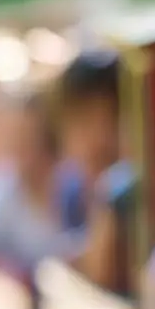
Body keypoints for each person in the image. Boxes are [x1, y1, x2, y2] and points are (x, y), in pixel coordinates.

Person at [0, 84, 74, 275]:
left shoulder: (69, 181)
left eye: (29, 136)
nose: (22, 146)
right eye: (17, 137)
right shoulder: (1, 188)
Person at [50, 49, 136, 294]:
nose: (99, 137)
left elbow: (103, 273)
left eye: (112, 117)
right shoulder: (71, 188)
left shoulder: (133, 187)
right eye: (83, 120)